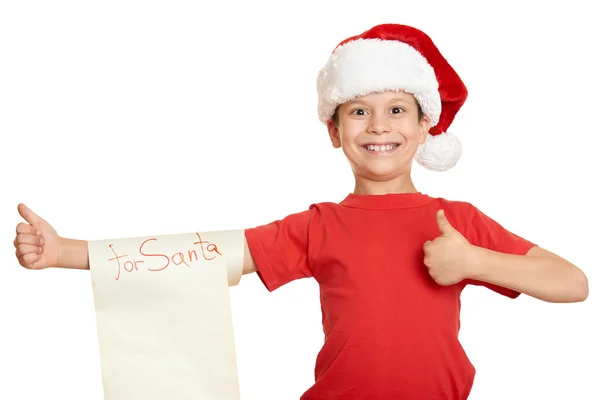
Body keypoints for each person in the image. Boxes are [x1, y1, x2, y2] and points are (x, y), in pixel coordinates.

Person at [13, 23, 588, 399]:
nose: (380, 125)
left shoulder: (458, 222)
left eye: (396, 108)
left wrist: (475, 261)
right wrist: (66, 252)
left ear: (424, 125)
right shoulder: (319, 226)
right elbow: (208, 254)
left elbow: (573, 282)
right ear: (333, 132)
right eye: (359, 112)